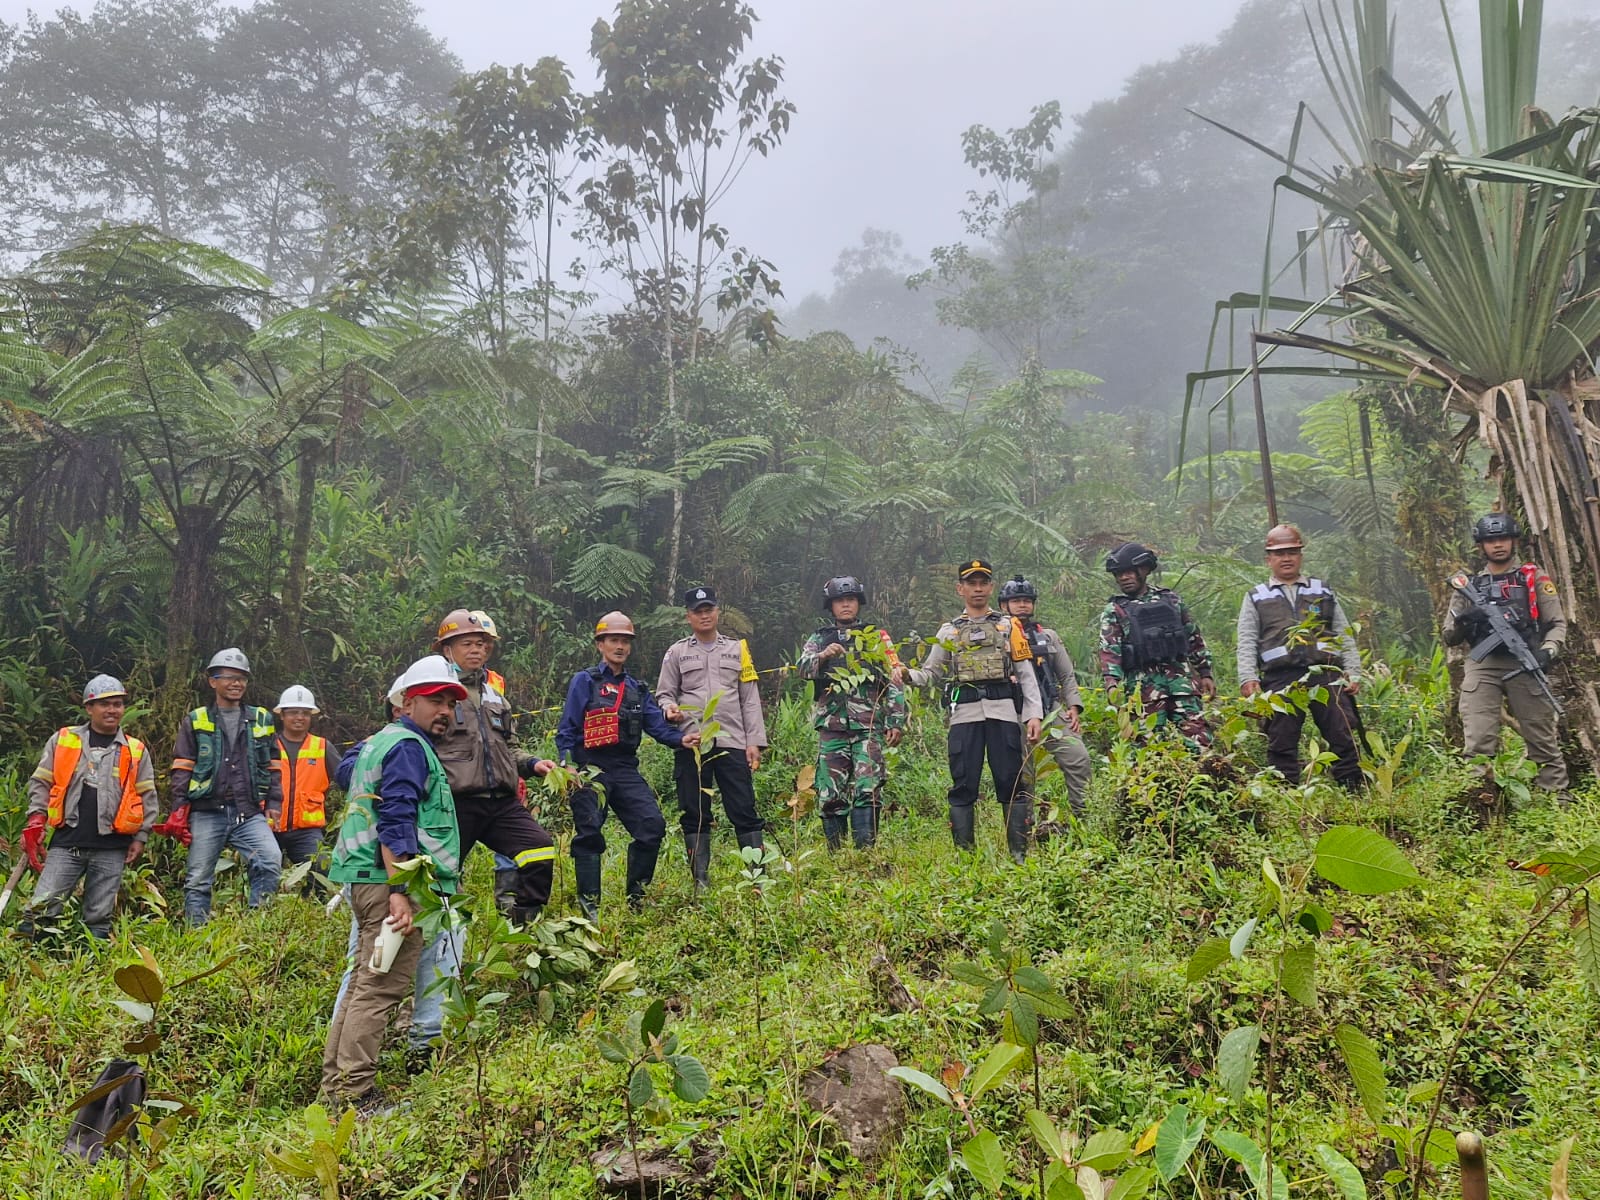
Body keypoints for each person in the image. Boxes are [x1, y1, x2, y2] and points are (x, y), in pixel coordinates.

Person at [321, 655, 465, 1114]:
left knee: (366, 983)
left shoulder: (384, 741)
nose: (444, 710)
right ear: (405, 703)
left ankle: (337, 1088)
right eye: (433, 700)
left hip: (367, 877)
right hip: (388, 882)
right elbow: (396, 816)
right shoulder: (408, 747)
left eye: (449, 702)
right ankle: (356, 1095)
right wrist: (401, 889)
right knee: (380, 989)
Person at [556, 612, 700, 919]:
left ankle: (637, 901)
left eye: (625, 641)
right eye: (613, 640)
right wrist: (565, 765)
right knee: (589, 830)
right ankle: (589, 909)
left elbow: (655, 725)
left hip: (624, 768)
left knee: (652, 826)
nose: (619, 646)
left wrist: (680, 740)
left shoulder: (637, 688)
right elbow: (567, 728)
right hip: (589, 767)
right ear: (600, 644)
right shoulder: (585, 681)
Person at [903, 560, 1043, 862]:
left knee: (1011, 780)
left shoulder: (1008, 627)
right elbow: (931, 673)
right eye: (971, 583)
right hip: (965, 715)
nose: (977, 588)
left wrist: (1033, 714)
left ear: (991, 587)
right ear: (960, 589)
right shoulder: (949, 632)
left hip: (1003, 713)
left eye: (983, 582)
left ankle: (1019, 856)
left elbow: (1026, 673)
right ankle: (966, 859)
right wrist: (906, 676)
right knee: (964, 783)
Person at [431, 608, 556, 925]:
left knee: (539, 849)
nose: (477, 650)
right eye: (467, 644)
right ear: (447, 650)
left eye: (481, 644)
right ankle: (447, 936)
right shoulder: (435, 694)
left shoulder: (495, 696)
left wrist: (533, 763)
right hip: (456, 803)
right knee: (440, 873)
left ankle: (522, 925)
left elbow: (509, 747)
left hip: (501, 802)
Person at [19, 675, 157, 940]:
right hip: (67, 841)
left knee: (98, 914)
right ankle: (30, 956)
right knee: (42, 906)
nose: (112, 710)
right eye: (104, 704)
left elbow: (147, 796)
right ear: (88, 708)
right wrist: (37, 818)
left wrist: (141, 837)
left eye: (117, 704)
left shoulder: (135, 749)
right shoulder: (64, 740)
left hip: (112, 846)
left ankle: (93, 963)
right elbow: (41, 782)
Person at [1442, 512, 1569, 799]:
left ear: (1513, 541)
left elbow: (1557, 624)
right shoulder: (1467, 585)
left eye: (1503, 538)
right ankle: (1481, 799)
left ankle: (1556, 796)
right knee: (1478, 737)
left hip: (1524, 662)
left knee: (1541, 735)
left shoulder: (1532, 577)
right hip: (1482, 664)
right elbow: (1450, 636)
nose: (1498, 545)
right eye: (1491, 540)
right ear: (1481, 546)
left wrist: (1547, 652)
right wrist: (1465, 619)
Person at [157, 648, 283, 926]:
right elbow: (183, 766)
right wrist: (179, 810)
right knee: (198, 877)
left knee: (270, 860)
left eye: (242, 678)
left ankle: (258, 925)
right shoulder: (196, 719)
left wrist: (274, 803)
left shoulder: (261, 718)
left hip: (248, 812)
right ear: (213, 681)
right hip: (207, 811)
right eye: (229, 677)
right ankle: (196, 934)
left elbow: (273, 765)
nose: (237, 683)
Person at [656, 586, 769, 889]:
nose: (704, 615)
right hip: (692, 742)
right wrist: (669, 709)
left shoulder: (738, 649)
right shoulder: (677, 652)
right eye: (698, 611)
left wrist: (754, 741)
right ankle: (700, 882)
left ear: (717, 611)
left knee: (743, 808)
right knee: (694, 811)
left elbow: (749, 698)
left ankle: (757, 878)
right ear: (688, 616)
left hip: (732, 740)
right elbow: (664, 694)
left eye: (709, 609)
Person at [1236, 524, 1363, 789]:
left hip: (1325, 672)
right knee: (1281, 736)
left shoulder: (1322, 590)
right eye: (1279, 553)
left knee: (1342, 730)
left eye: (1292, 552)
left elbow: (1344, 631)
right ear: (1268, 559)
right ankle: (1285, 793)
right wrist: (1248, 678)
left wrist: (1353, 670)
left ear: (1300, 555)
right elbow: (1246, 639)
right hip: (1280, 676)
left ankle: (1353, 790)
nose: (1286, 558)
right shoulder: (1257, 596)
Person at [795, 576, 907, 851]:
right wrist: (823, 656)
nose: (845, 605)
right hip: (831, 726)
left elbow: (894, 679)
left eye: (851, 600)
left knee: (868, 787)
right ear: (830, 606)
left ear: (859, 603)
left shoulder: (876, 637)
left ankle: (865, 852)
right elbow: (801, 668)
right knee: (830, 791)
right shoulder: (820, 637)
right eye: (839, 601)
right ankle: (836, 854)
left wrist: (895, 720)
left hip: (868, 725)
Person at [1098, 544, 1215, 748]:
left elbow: (1193, 637)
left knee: (1201, 746)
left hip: (1182, 686)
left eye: (1128, 572)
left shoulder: (1171, 600)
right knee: (1148, 751)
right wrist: (1112, 684)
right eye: (1118, 574)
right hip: (1143, 692)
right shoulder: (1115, 610)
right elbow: (1110, 650)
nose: (1123, 578)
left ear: (1143, 570)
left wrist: (1205, 672)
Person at [997, 575, 1092, 817]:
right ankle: (1023, 829)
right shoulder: (996, 636)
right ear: (1003, 605)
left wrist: (1074, 706)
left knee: (1078, 758)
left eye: (1027, 600)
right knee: (1023, 774)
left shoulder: (1047, 635)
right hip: (1015, 714)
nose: (1022, 605)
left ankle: (1086, 818)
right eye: (1016, 600)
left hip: (1050, 709)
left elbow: (1067, 675)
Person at [269, 685, 332, 869]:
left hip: (307, 831)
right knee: (262, 870)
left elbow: (347, 777)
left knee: (321, 869)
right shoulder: (267, 745)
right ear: (282, 715)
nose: (299, 717)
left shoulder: (322, 746)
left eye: (305, 713)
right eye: (293, 712)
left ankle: (311, 898)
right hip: (268, 826)